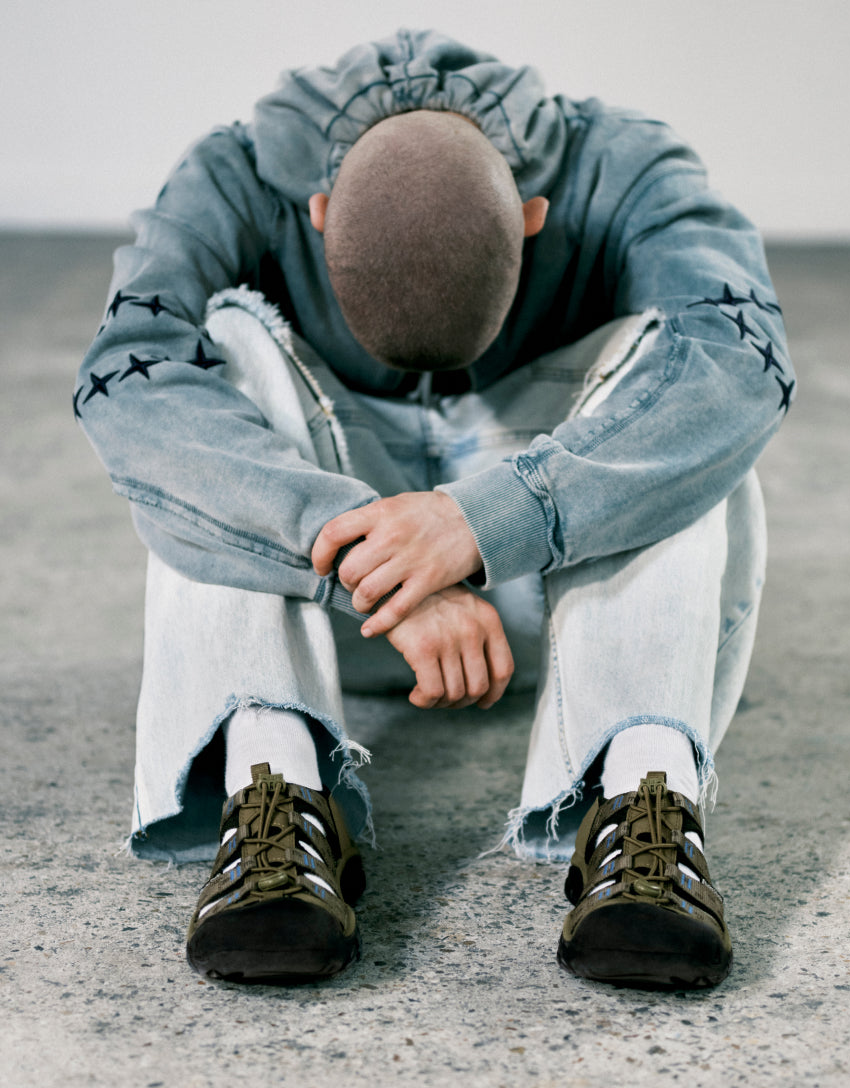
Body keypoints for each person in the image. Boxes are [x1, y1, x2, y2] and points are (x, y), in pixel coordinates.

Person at [75, 28, 794, 990]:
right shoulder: (236, 174)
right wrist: (369, 559)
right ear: (317, 213)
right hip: (343, 618)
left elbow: (742, 364)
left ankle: (642, 795)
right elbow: (126, 379)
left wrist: (481, 522)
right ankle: (274, 787)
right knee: (219, 346)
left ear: (534, 217)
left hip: (559, 608)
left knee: (685, 378)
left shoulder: (627, 164)